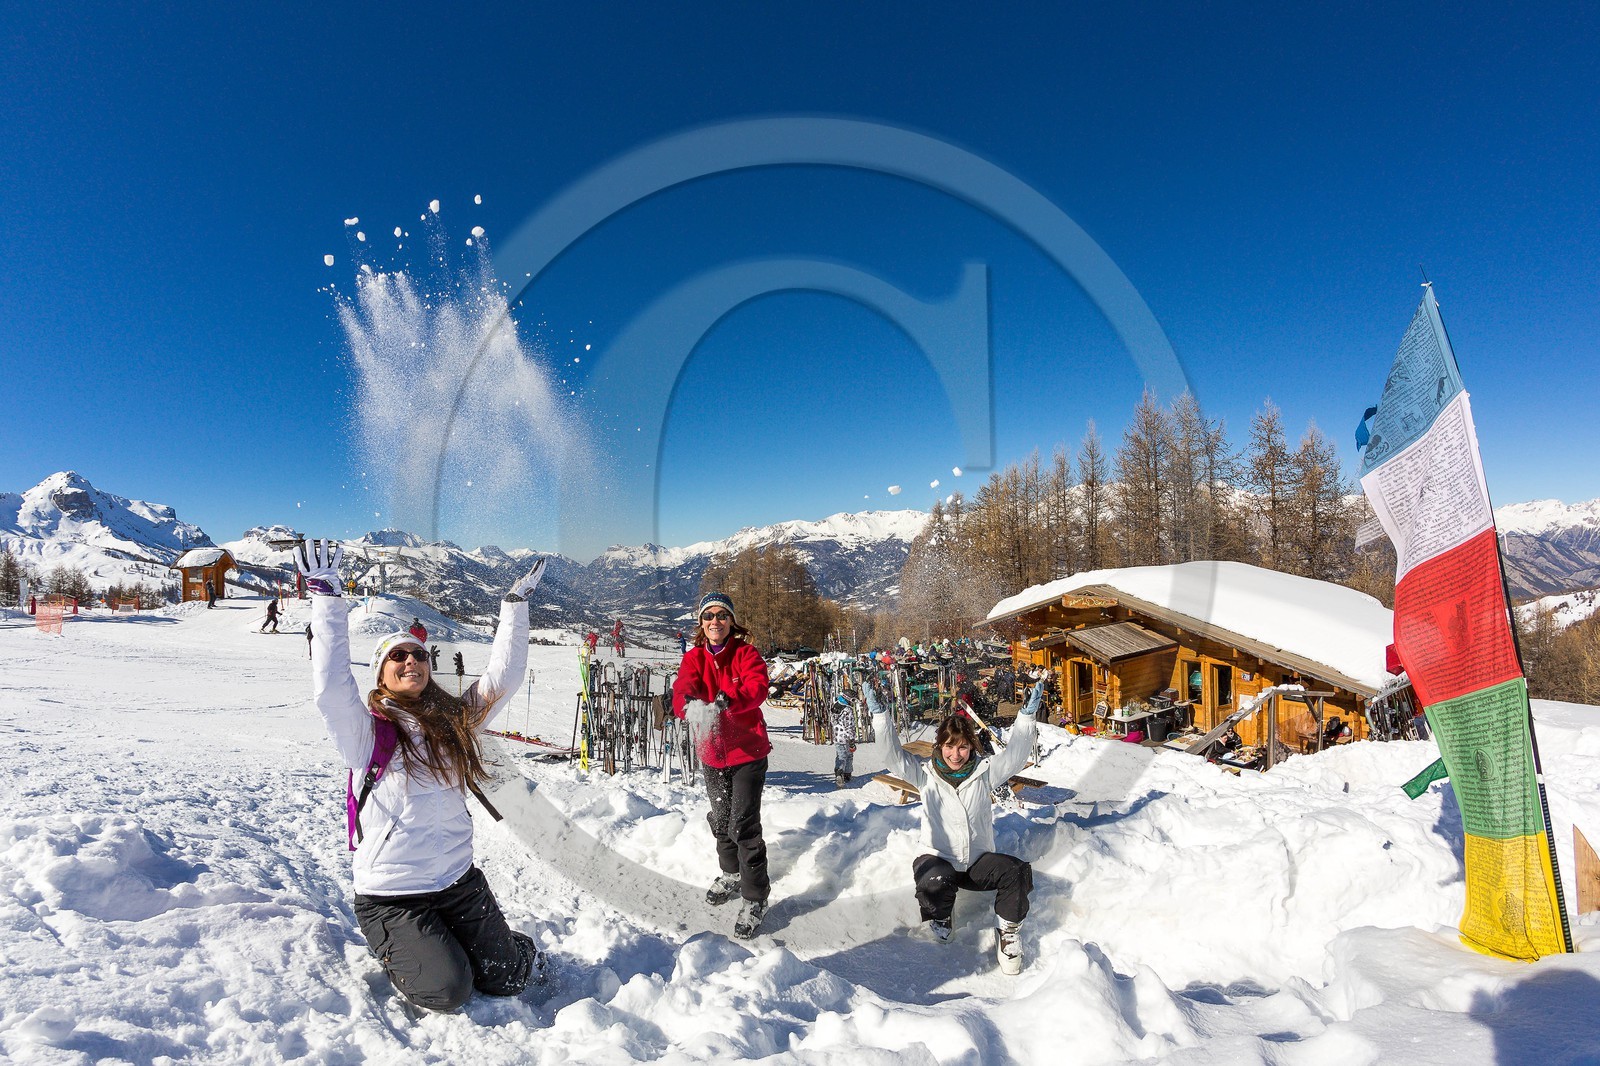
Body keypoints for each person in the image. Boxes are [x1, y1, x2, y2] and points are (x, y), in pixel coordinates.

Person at [297, 539, 549, 1013]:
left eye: (418, 655)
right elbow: (331, 688)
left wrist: (513, 609)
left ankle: (473, 941)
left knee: (509, 977)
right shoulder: (368, 733)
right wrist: (328, 600)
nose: (411, 660)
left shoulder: (456, 723)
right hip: (394, 895)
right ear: (382, 675)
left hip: (457, 882)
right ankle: (402, 944)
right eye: (398, 657)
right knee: (449, 990)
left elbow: (503, 679)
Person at [867, 680, 1042, 975]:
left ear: (971, 747)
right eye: (950, 746)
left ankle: (1009, 932)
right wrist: (881, 717)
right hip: (937, 858)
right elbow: (892, 757)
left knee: (1016, 871)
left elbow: (1013, 757)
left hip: (976, 862)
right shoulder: (925, 775)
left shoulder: (985, 772)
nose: (956, 754)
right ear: (940, 746)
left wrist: (1026, 717)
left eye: (962, 747)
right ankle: (940, 917)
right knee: (935, 880)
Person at [671, 592, 772, 939]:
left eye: (722, 615)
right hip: (712, 753)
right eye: (708, 615)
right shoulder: (695, 658)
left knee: (743, 825)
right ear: (701, 624)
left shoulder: (745, 654)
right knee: (720, 818)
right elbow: (682, 690)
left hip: (747, 752)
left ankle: (756, 896)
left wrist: (732, 699)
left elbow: (758, 687)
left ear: (731, 621)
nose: (715, 620)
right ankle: (731, 873)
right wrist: (684, 702)